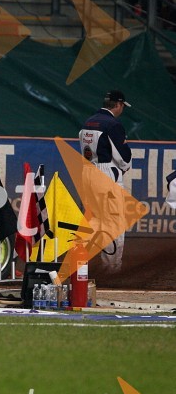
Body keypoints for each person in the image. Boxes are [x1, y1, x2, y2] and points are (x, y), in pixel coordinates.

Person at [78, 90, 133, 274]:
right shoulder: (113, 124)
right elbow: (123, 158)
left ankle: (83, 262)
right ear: (118, 105)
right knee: (114, 222)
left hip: (88, 172)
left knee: (96, 221)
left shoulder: (88, 121)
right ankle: (112, 267)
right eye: (122, 106)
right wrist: (124, 167)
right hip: (106, 173)